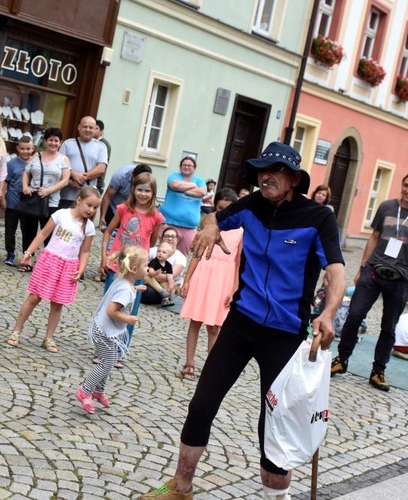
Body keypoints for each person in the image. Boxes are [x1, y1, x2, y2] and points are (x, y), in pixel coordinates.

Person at [141, 142, 345, 500]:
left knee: (275, 427)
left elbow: (336, 271)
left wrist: (328, 313)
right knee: (202, 403)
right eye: (261, 170)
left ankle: (275, 497)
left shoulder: (318, 218)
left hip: (285, 334)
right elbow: (215, 216)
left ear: (294, 178)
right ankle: (180, 487)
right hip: (241, 323)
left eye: (274, 171)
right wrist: (209, 225)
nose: (265, 177)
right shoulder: (252, 205)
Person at [331, 173, 408, 392]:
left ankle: (378, 371)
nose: (407, 190)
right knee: (354, 315)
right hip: (373, 272)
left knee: (388, 327)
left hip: (401, 278)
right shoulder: (387, 207)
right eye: (405, 185)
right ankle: (341, 359)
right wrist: (362, 267)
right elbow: (374, 236)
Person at [7, 186, 99, 352]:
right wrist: (29, 252)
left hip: (69, 266)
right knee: (34, 297)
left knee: (58, 304)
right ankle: (16, 330)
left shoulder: (89, 227)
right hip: (50, 260)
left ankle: (49, 337)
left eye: (95, 208)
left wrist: (81, 268)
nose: (91, 210)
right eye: (89, 205)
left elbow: (85, 251)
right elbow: (42, 234)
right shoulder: (61, 214)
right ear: (79, 200)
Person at [178, 188, 243, 381]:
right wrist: (187, 280)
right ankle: (189, 362)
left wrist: (234, 288)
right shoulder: (208, 227)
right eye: (221, 208)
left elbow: (239, 261)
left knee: (215, 327)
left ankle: (211, 367)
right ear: (216, 207)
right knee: (195, 321)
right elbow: (197, 254)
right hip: (204, 274)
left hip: (224, 279)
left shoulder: (240, 231)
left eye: (228, 209)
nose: (224, 212)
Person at [74, 245, 147, 414]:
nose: (148, 268)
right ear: (134, 269)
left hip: (102, 329)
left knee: (111, 359)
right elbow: (112, 311)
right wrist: (128, 319)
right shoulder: (126, 290)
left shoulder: (123, 281)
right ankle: (85, 390)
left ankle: (99, 391)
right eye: (145, 265)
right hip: (103, 332)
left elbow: (122, 291)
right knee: (107, 362)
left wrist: (136, 288)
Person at [100, 171, 163, 356]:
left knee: (129, 311)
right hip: (117, 267)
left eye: (148, 191)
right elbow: (108, 231)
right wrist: (105, 255)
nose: (143, 194)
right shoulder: (123, 209)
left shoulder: (156, 217)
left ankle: (119, 350)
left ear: (153, 193)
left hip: (136, 271)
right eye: (140, 189)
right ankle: (103, 346)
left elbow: (151, 242)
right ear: (133, 189)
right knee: (109, 306)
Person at [18, 127, 72, 272]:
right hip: (33, 199)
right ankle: (27, 260)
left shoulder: (63, 159)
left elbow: (65, 180)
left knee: (49, 233)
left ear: (60, 143)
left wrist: (49, 190)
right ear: (46, 141)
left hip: (51, 201)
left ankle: (48, 264)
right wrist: (25, 186)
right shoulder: (36, 156)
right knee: (28, 231)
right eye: (50, 140)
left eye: (56, 140)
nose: (53, 143)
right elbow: (26, 172)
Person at [158, 156, 206, 256]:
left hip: (189, 227)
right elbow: (175, 185)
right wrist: (193, 186)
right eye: (184, 165)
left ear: (194, 168)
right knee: (163, 254)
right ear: (180, 166)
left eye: (189, 165)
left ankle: (176, 272)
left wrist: (182, 189)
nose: (187, 167)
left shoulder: (200, 180)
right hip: (169, 222)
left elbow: (202, 192)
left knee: (181, 257)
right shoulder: (174, 176)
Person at [58, 116, 108, 210]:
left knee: (83, 224)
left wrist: (81, 178)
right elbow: (59, 164)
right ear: (79, 127)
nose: (87, 130)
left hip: (87, 199)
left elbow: (101, 168)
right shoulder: (67, 144)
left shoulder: (101, 147)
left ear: (95, 129)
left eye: (91, 127)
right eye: (85, 127)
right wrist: (73, 175)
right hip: (65, 195)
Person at [0, 135, 34, 266]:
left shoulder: (35, 163)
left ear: (33, 149)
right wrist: (2, 197)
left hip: (28, 204)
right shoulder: (12, 164)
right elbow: (6, 182)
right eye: (23, 149)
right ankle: (10, 252)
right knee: (10, 229)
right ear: (18, 148)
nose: (25, 151)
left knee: (27, 231)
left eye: (28, 149)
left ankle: (27, 254)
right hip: (12, 202)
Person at [99, 164, 153, 230]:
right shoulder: (119, 176)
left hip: (131, 212)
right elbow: (107, 196)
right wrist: (102, 218)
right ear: (133, 174)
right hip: (114, 208)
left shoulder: (148, 180)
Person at [143, 242, 175, 306]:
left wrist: (171, 285)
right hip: (150, 281)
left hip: (159, 282)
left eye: (164, 252)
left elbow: (170, 276)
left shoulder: (168, 265)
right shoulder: (154, 262)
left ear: (169, 256)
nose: (160, 253)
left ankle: (165, 299)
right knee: (149, 278)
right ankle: (161, 291)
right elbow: (150, 272)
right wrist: (155, 273)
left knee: (165, 283)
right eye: (159, 251)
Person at [94, 118, 111, 193]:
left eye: (96, 128)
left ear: (101, 131)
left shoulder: (103, 144)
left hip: (97, 183)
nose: (93, 130)